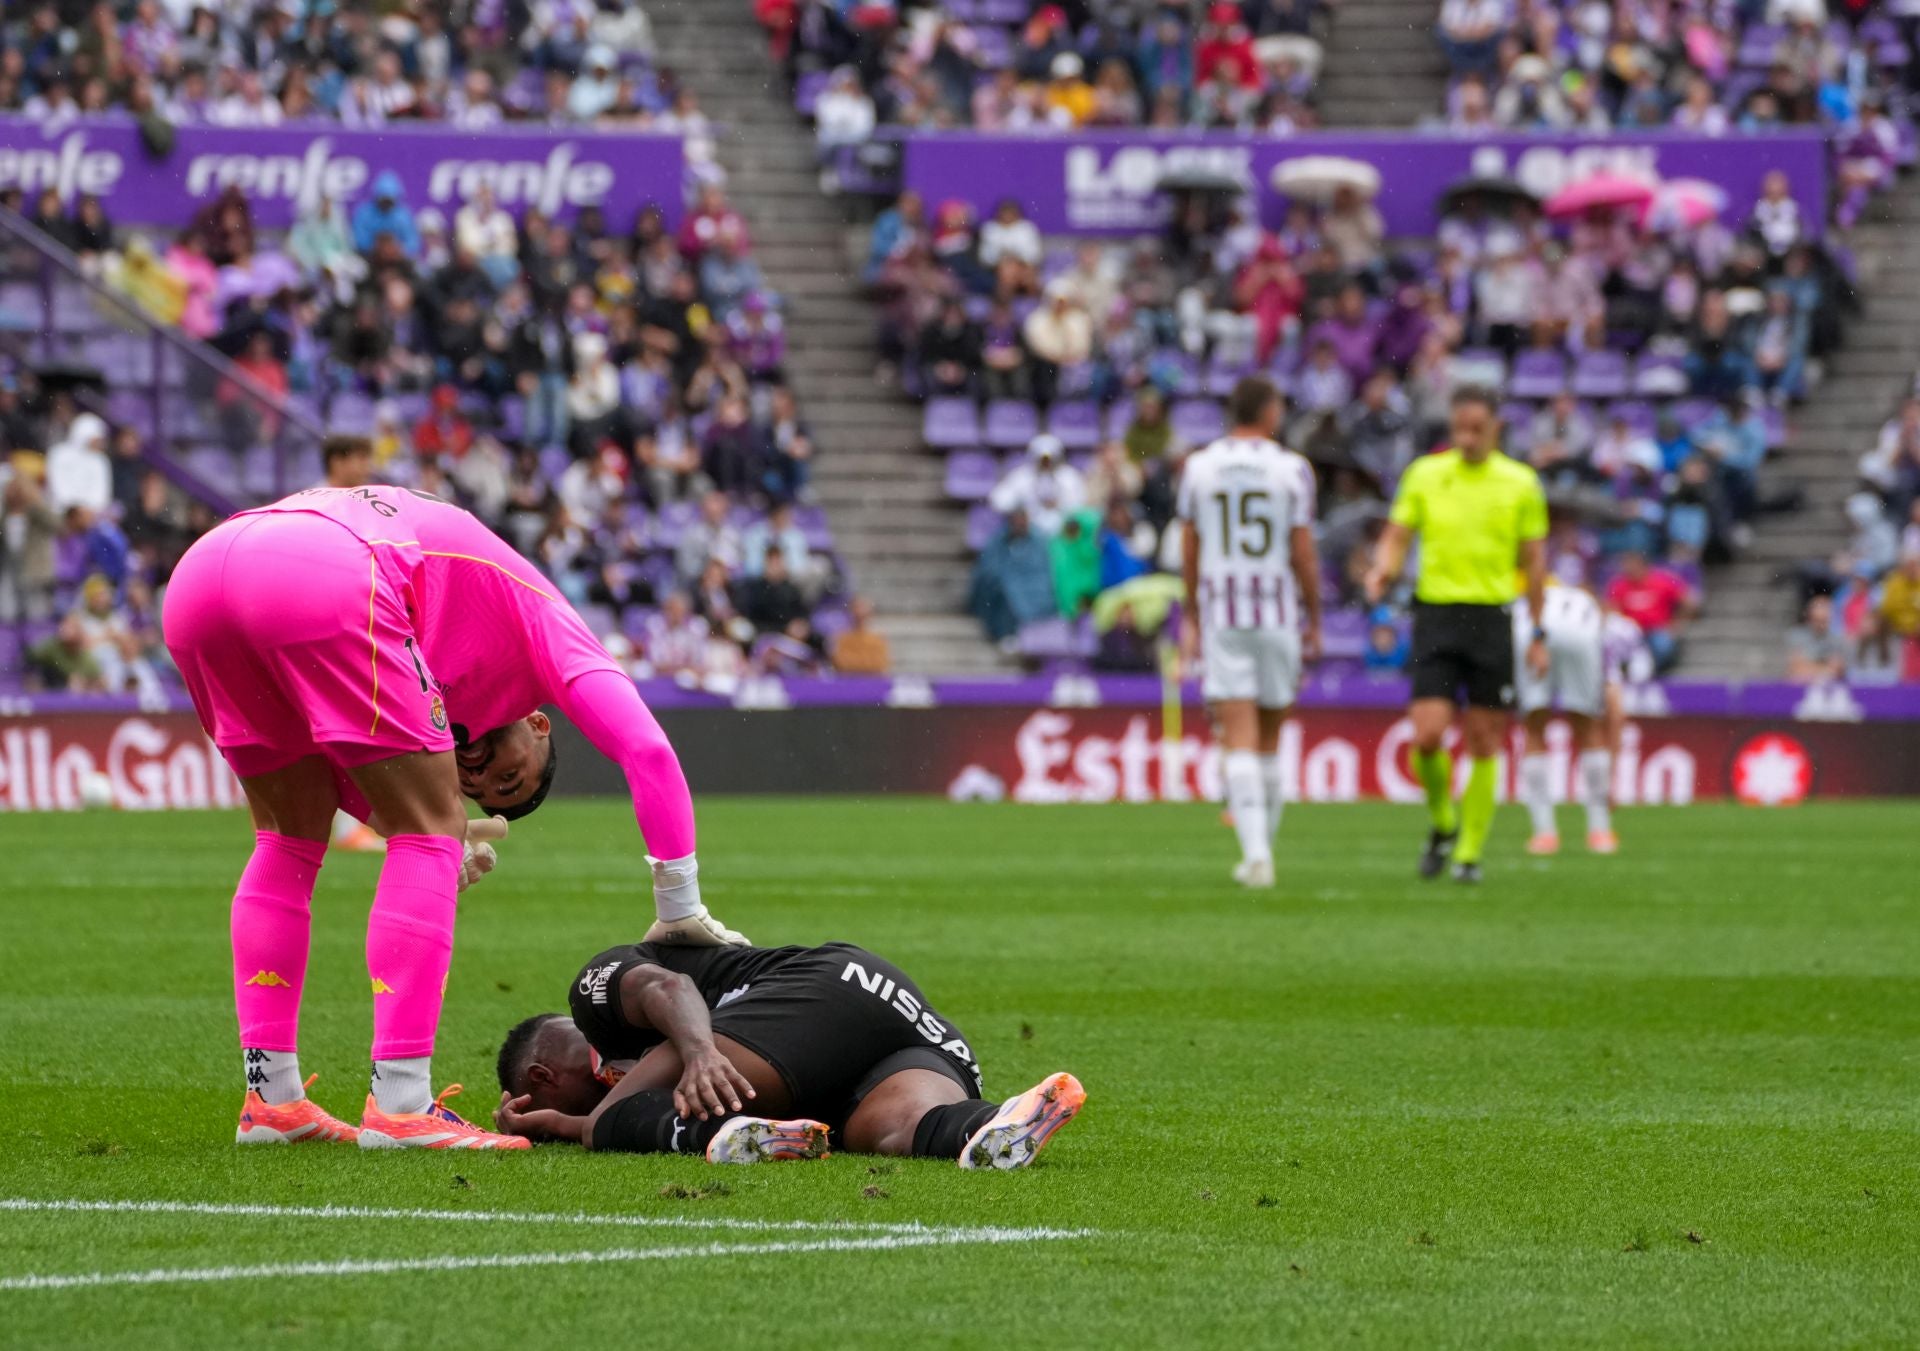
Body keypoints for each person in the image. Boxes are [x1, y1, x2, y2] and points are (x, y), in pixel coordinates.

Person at [162, 483, 746, 1153]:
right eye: (509, 777)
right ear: (538, 724)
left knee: (287, 837)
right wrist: (678, 904)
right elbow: (647, 749)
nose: (479, 777)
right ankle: (401, 1105)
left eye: (483, 791)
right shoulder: (552, 628)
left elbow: (341, 777)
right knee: (427, 833)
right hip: (324, 568)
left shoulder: (451, 645)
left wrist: (430, 826)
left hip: (203, 577)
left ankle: (272, 1100)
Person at [494, 937, 1085, 1170]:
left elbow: (669, 987)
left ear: (544, 1076)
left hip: (827, 986)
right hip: (915, 1034)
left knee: (609, 1124)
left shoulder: (593, 998)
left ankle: (727, 1134)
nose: (606, 1072)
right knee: (893, 1130)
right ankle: (999, 1122)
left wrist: (698, 1053)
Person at [1364, 386, 1549, 884]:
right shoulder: (1425, 474)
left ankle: (1469, 854)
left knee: (1485, 739)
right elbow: (1397, 535)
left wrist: (1538, 632)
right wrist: (1383, 569)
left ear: (1496, 428)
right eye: (1459, 429)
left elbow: (1534, 563)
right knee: (1427, 735)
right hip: (1437, 615)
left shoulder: (1521, 483)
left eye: (1477, 429)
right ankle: (1444, 821)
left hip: (1492, 617)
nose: (1466, 438)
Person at [1177, 376, 1322, 889]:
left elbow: (1190, 547)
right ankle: (1262, 852)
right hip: (1277, 611)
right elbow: (1302, 552)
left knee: (1236, 735)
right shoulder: (1292, 469)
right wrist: (1315, 616)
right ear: (1269, 412)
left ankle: (1257, 856)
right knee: (1269, 738)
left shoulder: (1199, 467)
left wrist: (1192, 611)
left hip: (1223, 608)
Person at [1512, 582, 1618, 857]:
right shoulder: (1591, 609)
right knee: (1588, 726)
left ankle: (1544, 833)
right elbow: (1615, 704)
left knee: (1534, 727)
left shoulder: (1533, 595)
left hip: (1527, 629)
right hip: (1578, 633)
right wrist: (1614, 773)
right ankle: (1600, 831)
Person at [1785, 593, 1847, 684]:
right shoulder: (1796, 636)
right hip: (1801, 687)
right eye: (1817, 620)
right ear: (1809, 617)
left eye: (1824, 621)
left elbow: (1837, 671)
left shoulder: (1837, 639)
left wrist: (1808, 667)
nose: (1820, 625)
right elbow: (1795, 670)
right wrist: (1824, 669)